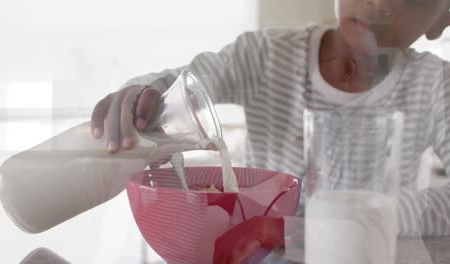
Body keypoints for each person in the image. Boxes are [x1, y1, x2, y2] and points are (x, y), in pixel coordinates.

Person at [91, 0, 450, 262]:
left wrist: (362, 217)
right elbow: (176, 84)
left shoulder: (435, 85)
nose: (383, 3)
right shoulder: (263, 56)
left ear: (442, 20)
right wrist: (143, 94)